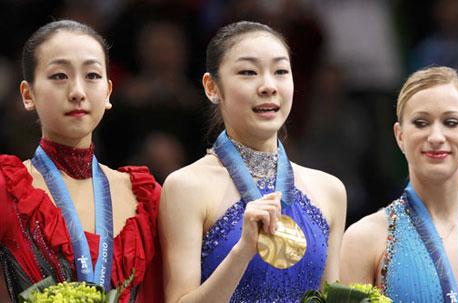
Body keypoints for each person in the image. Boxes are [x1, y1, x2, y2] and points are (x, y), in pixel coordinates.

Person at [159, 21, 346, 303]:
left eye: (281, 71)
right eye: (248, 72)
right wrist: (242, 251)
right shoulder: (186, 187)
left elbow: (330, 297)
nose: (269, 86)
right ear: (212, 87)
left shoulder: (330, 190)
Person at [0, 20, 162, 302]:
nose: (77, 91)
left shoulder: (147, 198)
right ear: (28, 95)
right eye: (59, 76)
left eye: (92, 75)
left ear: (109, 92)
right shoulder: (6, 188)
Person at [340, 66, 458, 302]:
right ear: (400, 136)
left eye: (451, 122)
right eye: (421, 123)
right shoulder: (365, 239)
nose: (436, 137)